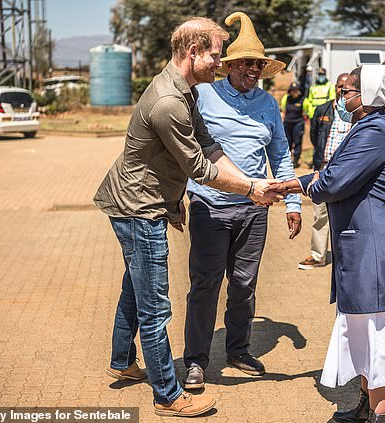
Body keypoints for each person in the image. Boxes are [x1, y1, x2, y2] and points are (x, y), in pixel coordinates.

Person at [94, 17, 281, 418]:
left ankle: (122, 359)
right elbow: (200, 167)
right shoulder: (169, 102)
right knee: (155, 303)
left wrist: (247, 181)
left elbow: (209, 145)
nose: (219, 61)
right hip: (137, 208)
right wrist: (252, 189)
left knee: (135, 284)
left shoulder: (188, 91)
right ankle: (167, 394)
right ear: (193, 52)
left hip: (147, 201)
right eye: (216, 54)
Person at [269, 64, 385, 423]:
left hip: (382, 256)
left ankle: (382, 415)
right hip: (374, 253)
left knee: (379, 341)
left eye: (348, 91)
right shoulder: (369, 127)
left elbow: (332, 182)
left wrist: (300, 186)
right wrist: (289, 185)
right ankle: (367, 406)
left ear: (368, 95)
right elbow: (334, 173)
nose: (341, 98)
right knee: (364, 334)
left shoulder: (375, 130)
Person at [182, 12, 302, 390]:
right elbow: (184, 146)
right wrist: (178, 195)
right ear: (229, 65)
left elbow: (280, 154)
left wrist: (294, 205)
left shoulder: (268, 104)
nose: (253, 69)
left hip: (254, 210)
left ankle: (237, 349)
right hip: (209, 206)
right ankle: (196, 361)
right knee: (205, 284)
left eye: (258, 64)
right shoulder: (203, 95)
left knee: (245, 284)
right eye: (247, 63)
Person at [298, 73, 350, 270]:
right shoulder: (323, 109)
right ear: (335, 87)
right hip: (324, 169)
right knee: (320, 214)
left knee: (347, 213)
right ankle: (318, 255)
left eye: (347, 87)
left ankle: (345, 257)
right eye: (339, 86)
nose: (342, 90)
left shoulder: (357, 112)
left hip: (347, 172)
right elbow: (314, 136)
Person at [280, 82, 305, 167]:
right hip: (288, 123)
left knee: (297, 141)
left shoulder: (303, 100)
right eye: (293, 90)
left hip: (298, 122)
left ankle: (296, 160)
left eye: (296, 90)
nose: (294, 92)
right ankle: (287, 160)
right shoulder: (286, 99)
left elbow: (306, 113)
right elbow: (283, 111)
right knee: (287, 142)